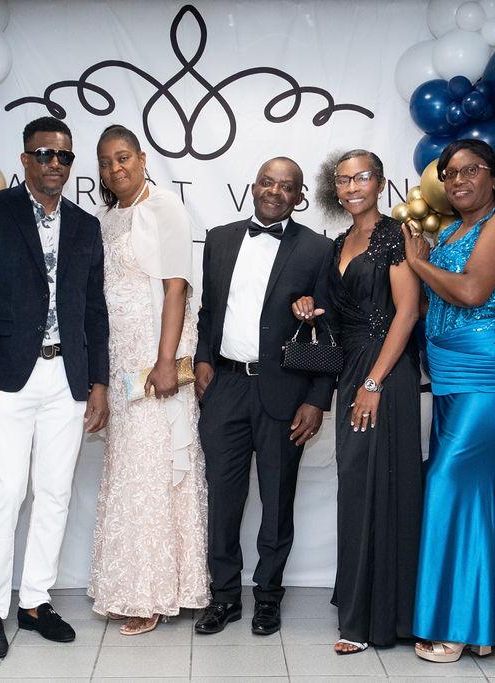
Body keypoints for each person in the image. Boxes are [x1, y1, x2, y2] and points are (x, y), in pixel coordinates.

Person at [0, 116, 110, 659]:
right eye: (44, 154)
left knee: (55, 492)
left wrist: (98, 382)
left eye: (64, 156)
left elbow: (94, 311)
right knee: (6, 493)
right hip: (8, 377)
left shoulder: (85, 226)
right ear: (25, 159)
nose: (54, 164)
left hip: (67, 378)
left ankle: (37, 602)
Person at [402, 138, 495, 663]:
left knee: (450, 480)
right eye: (449, 173)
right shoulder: (451, 231)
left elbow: (471, 292)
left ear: (493, 175)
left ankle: (456, 626)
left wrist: (417, 264)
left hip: (491, 369)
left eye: (470, 170)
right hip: (451, 373)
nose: (458, 180)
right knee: (492, 487)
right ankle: (493, 621)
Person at [193, 157, 338, 637]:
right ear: (253, 187)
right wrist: (203, 361)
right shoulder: (219, 238)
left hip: (286, 393)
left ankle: (269, 598)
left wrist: (317, 399)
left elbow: (329, 329)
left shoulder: (317, 249)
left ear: (299, 197)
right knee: (222, 501)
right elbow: (208, 312)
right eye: (267, 182)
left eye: (287, 186)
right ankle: (223, 597)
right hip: (226, 387)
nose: (275, 191)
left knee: (277, 502)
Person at [291, 149, 423, 655]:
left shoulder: (395, 236)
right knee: (357, 486)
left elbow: (406, 313)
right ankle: (361, 603)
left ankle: (376, 618)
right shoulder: (339, 243)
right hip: (350, 370)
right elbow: (335, 310)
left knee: (381, 486)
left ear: (381, 182)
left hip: (383, 372)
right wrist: (307, 307)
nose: (351, 187)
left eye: (361, 177)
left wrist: (373, 383)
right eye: (343, 180)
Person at [86, 124, 209, 635]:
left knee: (156, 473)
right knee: (128, 473)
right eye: (106, 162)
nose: (115, 168)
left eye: (123, 158)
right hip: (119, 360)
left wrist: (165, 361)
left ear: (141, 159)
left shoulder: (164, 208)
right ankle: (136, 584)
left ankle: (153, 593)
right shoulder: (106, 218)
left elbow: (177, 289)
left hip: (154, 361)